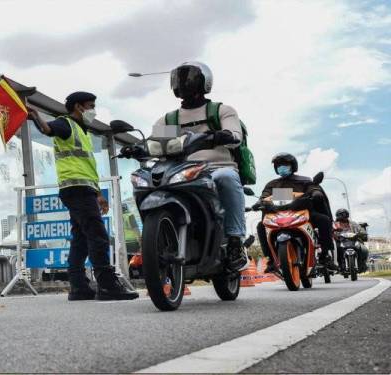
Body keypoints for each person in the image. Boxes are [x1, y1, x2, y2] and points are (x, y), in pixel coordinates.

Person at [27, 91, 139, 301]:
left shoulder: (82, 131)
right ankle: (107, 285)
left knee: (80, 239)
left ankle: (79, 287)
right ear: (78, 107)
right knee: (98, 236)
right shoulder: (66, 123)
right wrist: (35, 116)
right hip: (76, 189)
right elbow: (47, 129)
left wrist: (97, 194)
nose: (93, 111)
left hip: (83, 188)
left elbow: (86, 167)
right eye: (91, 106)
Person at [154, 61, 247, 271]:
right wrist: (137, 148)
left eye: (190, 77)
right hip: (181, 171)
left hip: (217, 166)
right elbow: (156, 144)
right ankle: (158, 238)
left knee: (227, 177)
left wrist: (219, 136)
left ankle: (235, 241)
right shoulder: (170, 119)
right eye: (180, 78)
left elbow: (235, 137)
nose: (184, 82)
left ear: (205, 81)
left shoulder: (220, 111)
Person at [255, 153, 336, 273]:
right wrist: (259, 202)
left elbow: (312, 188)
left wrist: (315, 193)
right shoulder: (272, 184)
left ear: (292, 166)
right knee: (261, 226)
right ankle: (271, 259)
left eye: (285, 165)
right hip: (278, 216)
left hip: (303, 214)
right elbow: (264, 196)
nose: (282, 167)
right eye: (279, 165)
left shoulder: (304, 181)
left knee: (324, 219)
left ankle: (325, 256)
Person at [333, 208, 369, 272]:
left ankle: (362, 264)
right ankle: (339, 265)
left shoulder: (353, 223)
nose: (344, 216)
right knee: (335, 249)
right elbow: (330, 231)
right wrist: (335, 235)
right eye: (342, 214)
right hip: (340, 241)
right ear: (338, 216)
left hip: (354, 241)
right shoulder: (334, 224)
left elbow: (361, 230)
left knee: (364, 249)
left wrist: (361, 233)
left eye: (345, 214)